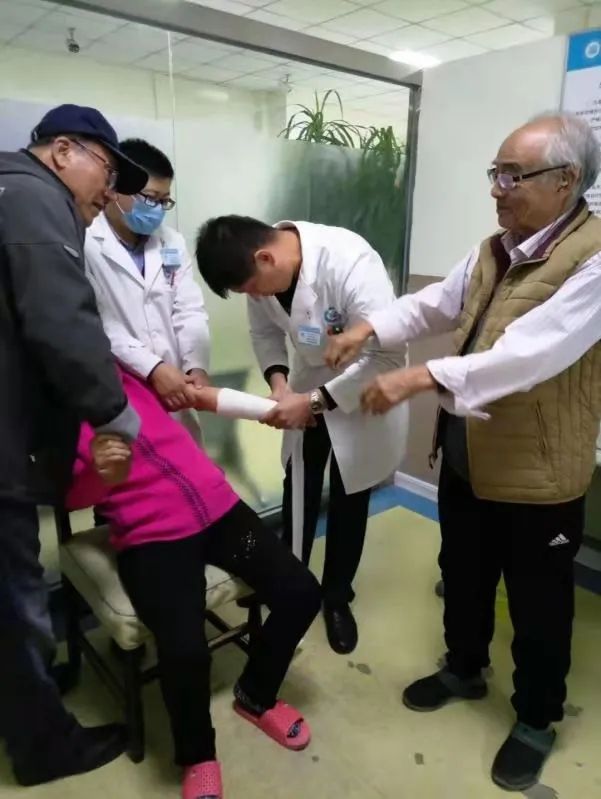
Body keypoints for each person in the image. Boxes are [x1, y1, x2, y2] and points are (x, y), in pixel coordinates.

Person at [325, 112, 601, 792]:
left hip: (538, 470)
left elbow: (531, 353)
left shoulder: (594, 258)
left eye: (512, 175)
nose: (496, 188)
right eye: (494, 173)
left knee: (538, 604)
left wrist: (421, 376)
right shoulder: (493, 249)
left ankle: (536, 717)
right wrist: (369, 327)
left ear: (565, 180)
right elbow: (433, 306)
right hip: (468, 453)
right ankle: (464, 667)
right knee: (464, 570)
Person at [67, 366, 321, 799]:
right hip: (151, 535)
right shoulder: (50, 408)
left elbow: (187, 389)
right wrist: (98, 470)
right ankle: (198, 754)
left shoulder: (123, 369)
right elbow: (69, 496)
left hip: (219, 506)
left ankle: (255, 695)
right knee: (185, 649)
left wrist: (197, 376)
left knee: (302, 594)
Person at [0, 103, 148, 785]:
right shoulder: (34, 200)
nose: (110, 193)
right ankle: (42, 746)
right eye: (107, 173)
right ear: (63, 151)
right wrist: (117, 417)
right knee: (17, 600)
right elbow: (62, 323)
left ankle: (24, 700)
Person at [195, 216, 407, 655]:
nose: (254, 297)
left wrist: (314, 401)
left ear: (265, 258)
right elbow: (264, 332)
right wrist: (279, 386)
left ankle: (336, 597)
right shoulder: (260, 274)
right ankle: (288, 585)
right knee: (300, 488)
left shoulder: (349, 261)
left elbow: (387, 355)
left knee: (350, 495)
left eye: (252, 288)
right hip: (306, 384)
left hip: (363, 389)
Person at [85, 138, 210, 444]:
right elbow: (98, 321)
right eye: (150, 198)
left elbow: (189, 309)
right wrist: (153, 368)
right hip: (121, 387)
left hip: (178, 387)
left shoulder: (171, 241)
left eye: (164, 201)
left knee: (183, 462)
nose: (157, 210)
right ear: (115, 188)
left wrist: (196, 366)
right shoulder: (85, 240)